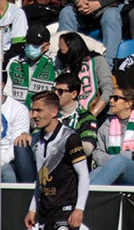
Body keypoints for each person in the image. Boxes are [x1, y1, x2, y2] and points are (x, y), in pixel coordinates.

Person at [24, 91, 89, 230]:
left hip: (65, 211)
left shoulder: (69, 138)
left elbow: (83, 174)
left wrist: (79, 209)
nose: (34, 115)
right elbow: (40, 178)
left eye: (38, 110)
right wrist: (32, 208)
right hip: (45, 212)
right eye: (33, 110)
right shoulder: (36, 139)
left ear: (54, 112)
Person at [89, 86, 134, 185]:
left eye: (116, 98)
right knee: (95, 174)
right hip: (109, 166)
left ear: (128, 104)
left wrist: (123, 156)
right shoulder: (106, 124)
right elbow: (98, 151)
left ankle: (91, 195)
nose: (111, 101)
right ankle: (83, 194)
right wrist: (111, 160)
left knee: (120, 161)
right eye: (111, 98)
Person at [54, 31, 114, 118]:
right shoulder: (64, 67)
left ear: (73, 49)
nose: (60, 54)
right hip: (69, 115)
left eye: (63, 51)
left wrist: (93, 113)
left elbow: (108, 89)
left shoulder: (97, 61)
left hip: (98, 114)